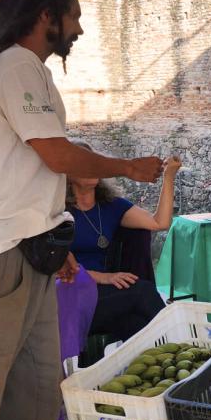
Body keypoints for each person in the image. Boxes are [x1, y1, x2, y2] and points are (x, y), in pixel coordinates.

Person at [0, 0, 163, 420]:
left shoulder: (26, 69)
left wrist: (51, 238)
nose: (79, 29)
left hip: (30, 252)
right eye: (74, 17)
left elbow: (28, 175)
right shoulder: (15, 66)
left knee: (36, 388)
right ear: (47, 15)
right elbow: (56, 155)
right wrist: (128, 167)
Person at [67, 142, 179, 342]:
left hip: (105, 295)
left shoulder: (111, 207)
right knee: (143, 292)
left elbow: (159, 222)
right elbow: (56, 267)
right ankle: (183, 343)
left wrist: (169, 177)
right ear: (66, 174)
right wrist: (105, 277)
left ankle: (181, 355)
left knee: (137, 323)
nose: (93, 168)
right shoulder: (58, 213)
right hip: (71, 294)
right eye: (84, 164)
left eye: (95, 162)